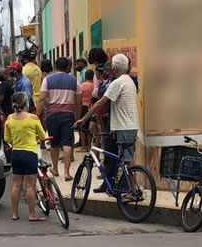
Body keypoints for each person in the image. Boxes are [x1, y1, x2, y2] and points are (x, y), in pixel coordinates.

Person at [76, 54, 138, 192]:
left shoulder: (117, 83)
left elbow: (99, 103)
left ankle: (131, 191)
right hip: (128, 126)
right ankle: (127, 188)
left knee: (126, 162)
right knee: (126, 160)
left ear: (114, 68)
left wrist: (83, 119)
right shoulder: (128, 80)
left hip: (124, 128)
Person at [4, 92, 47, 222]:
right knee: (30, 186)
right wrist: (36, 138)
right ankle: (32, 214)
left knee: (16, 184)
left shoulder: (9, 119)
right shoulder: (33, 118)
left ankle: (15, 213)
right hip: (29, 154)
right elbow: (43, 135)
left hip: (15, 154)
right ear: (26, 103)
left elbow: (7, 138)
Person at [37, 57, 82, 181]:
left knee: (54, 143)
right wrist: (78, 117)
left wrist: (36, 115)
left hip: (52, 115)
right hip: (68, 115)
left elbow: (41, 99)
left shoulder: (47, 80)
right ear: (67, 66)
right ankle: (67, 173)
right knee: (67, 143)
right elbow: (79, 101)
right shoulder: (74, 81)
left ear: (55, 66)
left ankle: (55, 169)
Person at [79, 69, 95, 152]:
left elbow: (79, 97)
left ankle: (83, 146)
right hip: (92, 108)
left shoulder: (83, 86)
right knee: (89, 129)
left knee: (82, 128)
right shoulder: (94, 85)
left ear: (85, 76)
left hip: (84, 107)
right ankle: (89, 146)